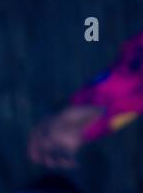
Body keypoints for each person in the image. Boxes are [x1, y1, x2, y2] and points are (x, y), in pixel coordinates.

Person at [29, 32, 143, 170]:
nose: (73, 151)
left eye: (61, 150)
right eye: (65, 153)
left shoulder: (92, 95)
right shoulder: (95, 130)